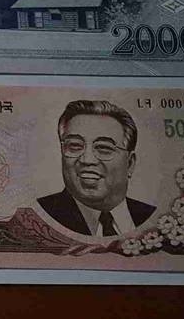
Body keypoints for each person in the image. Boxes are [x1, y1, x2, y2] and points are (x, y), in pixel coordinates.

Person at [37, 100, 155, 238]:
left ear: (129, 163)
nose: (87, 160)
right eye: (74, 146)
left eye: (103, 147)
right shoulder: (38, 218)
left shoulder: (156, 220)